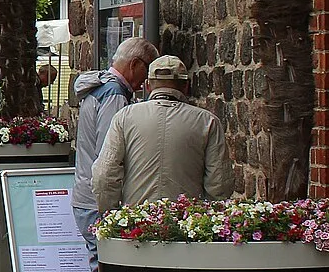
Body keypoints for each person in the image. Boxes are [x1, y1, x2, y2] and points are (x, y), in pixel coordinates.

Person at [70, 35, 157, 272]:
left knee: (99, 269)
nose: (144, 81)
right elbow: (112, 154)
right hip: (97, 198)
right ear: (134, 65)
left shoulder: (97, 88)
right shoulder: (114, 96)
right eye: (144, 72)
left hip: (85, 193)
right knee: (101, 271)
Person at [92, 55, 233, 213]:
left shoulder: (124, 117)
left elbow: (104, 174)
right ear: (186, 86)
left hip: (136, 223)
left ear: (147, 86)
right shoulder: (207, 122)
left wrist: (111, 214)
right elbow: (219, 183)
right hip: (186, 223)